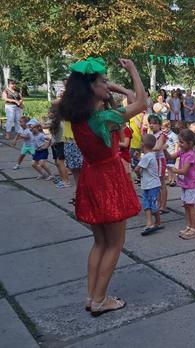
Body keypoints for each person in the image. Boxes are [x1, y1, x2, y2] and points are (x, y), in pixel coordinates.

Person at [58, 57, 146, 316]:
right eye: (103, 81)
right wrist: (132, 71)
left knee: (99, 242)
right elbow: (141, 103)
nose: (107, 84)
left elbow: (117, 102)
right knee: (115, 243)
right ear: (91, 87)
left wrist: (111, 90)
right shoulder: (103, 118)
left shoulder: (78, 114)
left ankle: (91, 296)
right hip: (108, 179)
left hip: (90, 176)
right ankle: (100, 299)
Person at [165, 129, 195, 239]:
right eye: (179, 141)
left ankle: (194, 228)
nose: (180, 144)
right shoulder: (182, 151)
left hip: (192, 185)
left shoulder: (191, 154)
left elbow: (184, 171)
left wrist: (173, 170)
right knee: (186, 206)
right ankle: (189, 226)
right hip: (185, 184)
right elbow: (170, 157)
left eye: (182, 142)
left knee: (191, 206)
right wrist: (164, 150)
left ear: (190, 143)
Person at [135, 134, 163, 236]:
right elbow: (145, 165)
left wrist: (138, 175)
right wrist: (139, 159)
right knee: (147, 204)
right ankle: (149, 223)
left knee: (152, 205)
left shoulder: (147, 156)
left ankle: (157, 222)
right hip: (148, 185)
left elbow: (137, 169)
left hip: (152, 185)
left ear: (142, 144)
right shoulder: (150, 155)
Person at [46, 105, 71, 188]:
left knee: (60, 162)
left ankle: (66, 181)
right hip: (55, 143)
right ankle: (63, 179)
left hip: (61, 143)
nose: (47, 114)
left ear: (54, 113)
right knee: (57, 163)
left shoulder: (58, 122)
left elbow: (45, 126)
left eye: (49, 112)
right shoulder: (53, 121)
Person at [148, 114, 169, 214]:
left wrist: (146, 148)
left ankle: (163, 206)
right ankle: (159, 204)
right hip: (153, 160)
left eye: (154, 123)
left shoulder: (162, 134)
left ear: (160, 125)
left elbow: (158, 147)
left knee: (161, 184)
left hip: (159, 160)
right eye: (150, 123)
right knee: (157, 183)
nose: (152, 125)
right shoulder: (152, 135)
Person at [163, 120, 179, 186]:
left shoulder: (173, 135)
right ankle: (170, 179)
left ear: (168, 127)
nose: (163, 130)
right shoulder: (163, 135)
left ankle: (174, 180)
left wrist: (176, 152)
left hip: (172, 153)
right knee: (168, 167)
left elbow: (176, 144)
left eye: (164, 128)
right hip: (166, 154)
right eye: (162, 129)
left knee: (171, 167)